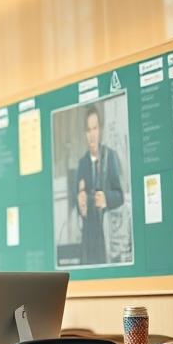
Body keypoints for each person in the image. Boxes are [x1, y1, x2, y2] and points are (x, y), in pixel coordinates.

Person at [73, 104, 125, 265]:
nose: (92, 135)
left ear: (100, 130)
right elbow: (78, 197)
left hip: (107, 235)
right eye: (88, 130)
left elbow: (120, 196)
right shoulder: (81, 163)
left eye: (94, 128)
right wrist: (79, 202)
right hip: (88, 239)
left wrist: (106, 199)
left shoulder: (110, 157)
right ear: (85, 134)